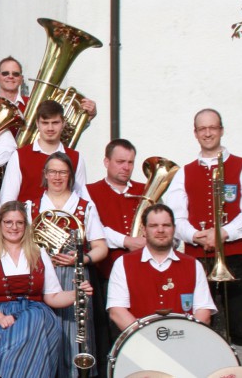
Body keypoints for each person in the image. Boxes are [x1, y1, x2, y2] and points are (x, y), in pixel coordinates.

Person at [164, 108, 242, 367]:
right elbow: (176, 215)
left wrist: (223, 233)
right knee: (201, 320)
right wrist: (195, 235)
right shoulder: (184, 173)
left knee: (239, 324)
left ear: (221, 130)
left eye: (212, 127)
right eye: (202, 128)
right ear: (195, 133)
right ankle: (205, 369)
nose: (208, 133)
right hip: (198, 258)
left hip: (235, 256)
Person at [0, 201, 93, 377]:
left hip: (35, 316)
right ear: (0, 224)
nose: (14, 227)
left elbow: (53, 297)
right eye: (8, 222)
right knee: (25, 324)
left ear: (26, 226)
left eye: (19, 222)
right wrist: (0, 318)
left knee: (33, 319)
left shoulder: (39, 253)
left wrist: (77, 294)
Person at [30, 152, 108, 378]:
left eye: (62, 172)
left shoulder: (85, 207)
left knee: (77, 336)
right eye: (53, 172)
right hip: (42, 275)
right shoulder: (31, 207)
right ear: (45, 174)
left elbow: (101, 247)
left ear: (70, 176)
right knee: (43, 334)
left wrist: (81, 259)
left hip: (76, 275)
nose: (57, 177)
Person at [107, 204, 216, 330]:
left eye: (166, 225)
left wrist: (184, 337)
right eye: (153, 226)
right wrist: (145, 337)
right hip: (139, 340)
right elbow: (117, 311)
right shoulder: (123, 263)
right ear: (144, 230)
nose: (160, 230)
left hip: (185, 339)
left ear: (174, 229)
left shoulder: (193, 264)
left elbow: (203, 311)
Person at [85, 138, 145, 362]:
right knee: (109, 330)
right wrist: (127, 240)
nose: (126, 167)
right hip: (106, 272)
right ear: (106, 162)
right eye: (120, 162)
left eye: (130, 162)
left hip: (141, 273)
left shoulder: (145, 190)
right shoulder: (89, 191)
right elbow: (94, 227)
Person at [0, 100, 89, 204]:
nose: (50, 128)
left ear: (63, 123)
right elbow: (7, 200)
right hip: (27, 214)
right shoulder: (19, 156)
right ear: (37, 124)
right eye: (45, 123)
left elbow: (81, 199)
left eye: (55, 123)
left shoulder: (76, 158)